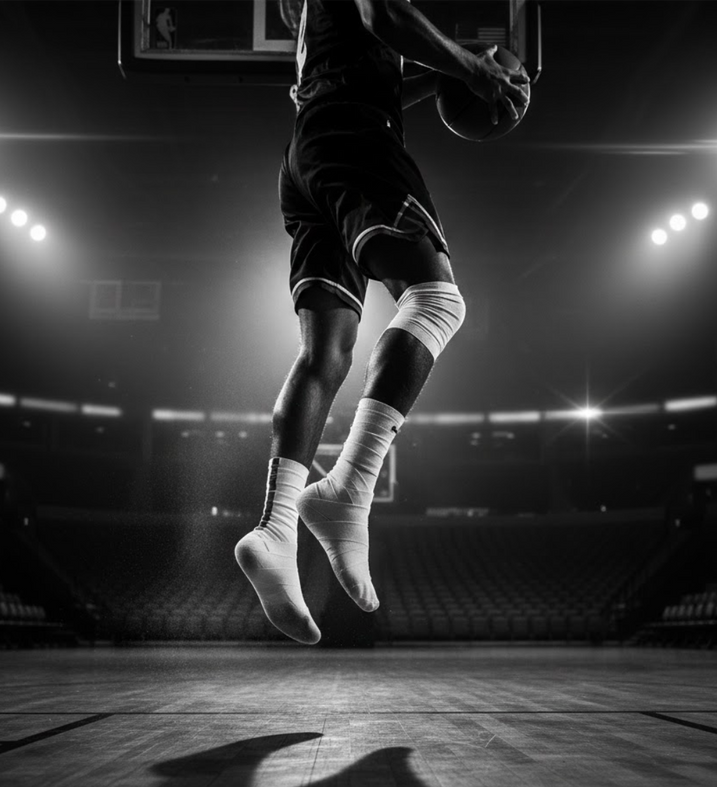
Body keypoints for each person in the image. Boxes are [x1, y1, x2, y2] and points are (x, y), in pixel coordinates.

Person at [235, 0, 529, 644]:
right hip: (353, 133)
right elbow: (387, 13)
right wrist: (472, 71)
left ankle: (277, 528)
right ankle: (348, 489)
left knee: (324, 356)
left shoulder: (321, 26)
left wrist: (458, 72)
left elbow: (379, 57)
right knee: (437, 300)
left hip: (308, 149)